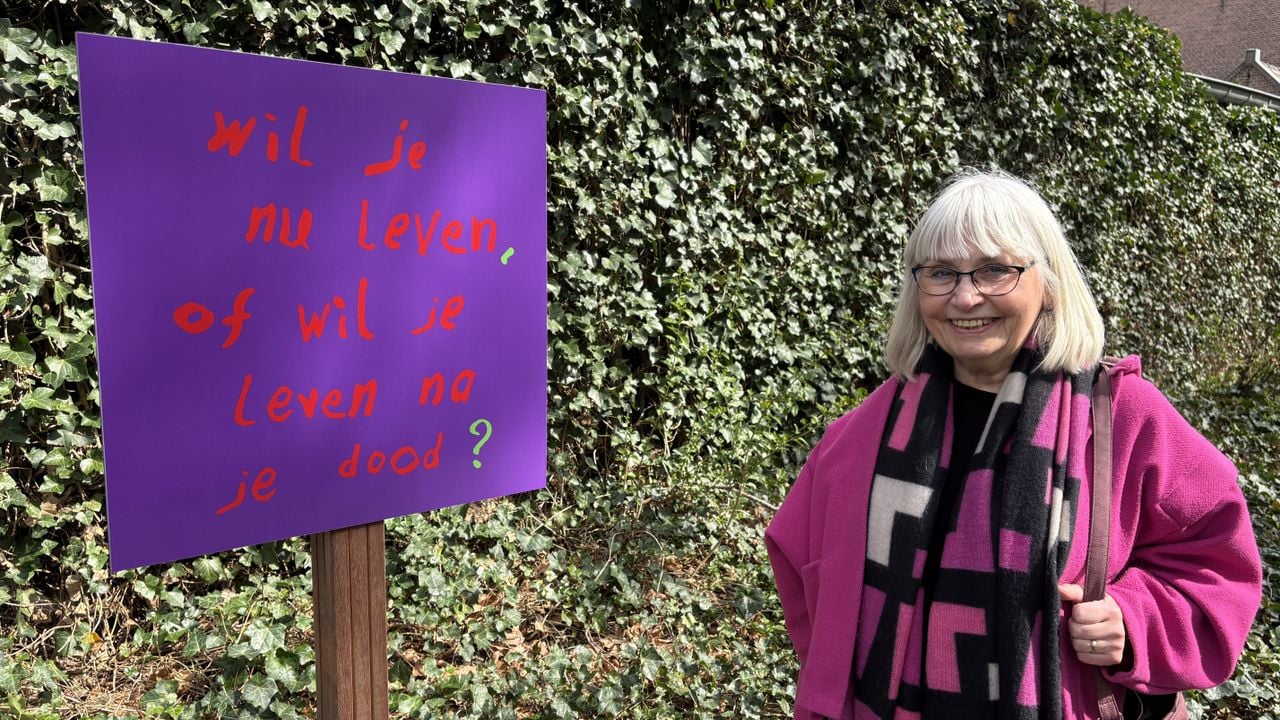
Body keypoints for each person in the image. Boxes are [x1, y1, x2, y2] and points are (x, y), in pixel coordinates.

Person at [765, 170, 1262, 720]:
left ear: (1047, 282)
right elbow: (803, 564)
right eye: (941, 273)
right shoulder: (866, 432)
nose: (965, 296)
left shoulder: (1123, 420)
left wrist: (1133, 621)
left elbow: (1218, 567)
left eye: (996, 270)